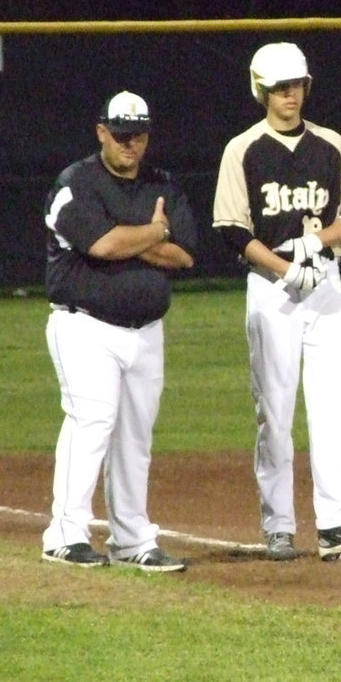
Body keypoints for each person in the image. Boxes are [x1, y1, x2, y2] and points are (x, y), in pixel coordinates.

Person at [212, 42, 341, 562]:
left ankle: (337, 522)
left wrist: (316, 244)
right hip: (272, 289)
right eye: (281, 88)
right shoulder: (242, 149)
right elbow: (232, 229)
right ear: (261, 91)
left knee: (335, 402)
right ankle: (279, 526)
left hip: (326, 284)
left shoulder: (331, 145)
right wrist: (284, 267)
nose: (291, 95)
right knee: (276, 408)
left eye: (298, 86)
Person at [41, 90, 198, 571]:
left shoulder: (163, 184)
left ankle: (131, 539)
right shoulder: (76, 184)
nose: (132, 144)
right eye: (123, 134)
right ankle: (64, 534)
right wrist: (153, 233)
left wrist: (131, 238)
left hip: (147, 331)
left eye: (140, 135)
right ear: (102, 132)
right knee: (92, 421)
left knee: (135, 437)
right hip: (84, 326)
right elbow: (103, 246)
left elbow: (186, 254)